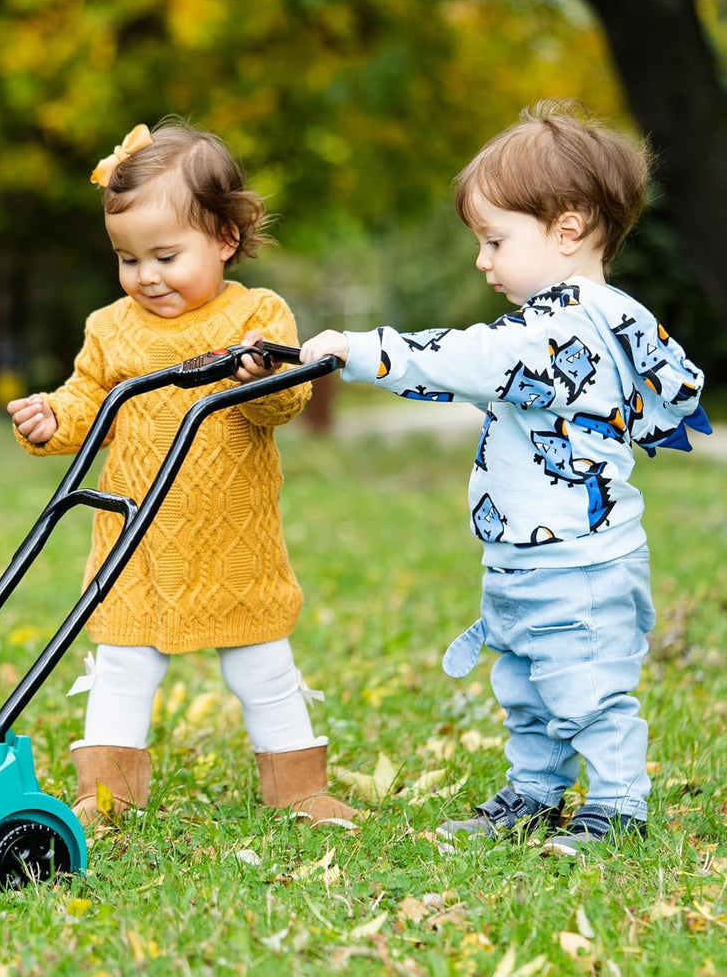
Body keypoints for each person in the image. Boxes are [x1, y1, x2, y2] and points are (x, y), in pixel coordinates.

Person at [300, 100, 710, 854]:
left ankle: (619, 806)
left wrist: (360, 350)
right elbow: (476, 375)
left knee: (583, 690)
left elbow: (465, 361)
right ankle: (536, 792)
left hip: (578, 562)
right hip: (529, 556)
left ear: (568, 229)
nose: (482, 261)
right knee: (527, 685)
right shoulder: (563, 318)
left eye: (494, 240)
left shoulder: (569, 325)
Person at [8, 120, 356, 828]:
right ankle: (105, 795)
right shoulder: (111, 327)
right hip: (133, 537)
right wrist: (52, 417)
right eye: (128, 259)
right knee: (121, 667)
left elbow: (287, 403)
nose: (146, 276)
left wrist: (264, 372)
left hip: (232, 538)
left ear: (225, 239)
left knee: (260, 663)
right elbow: (86, 401)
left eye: (165, 255)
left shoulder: (257, 316)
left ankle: (298, 787)